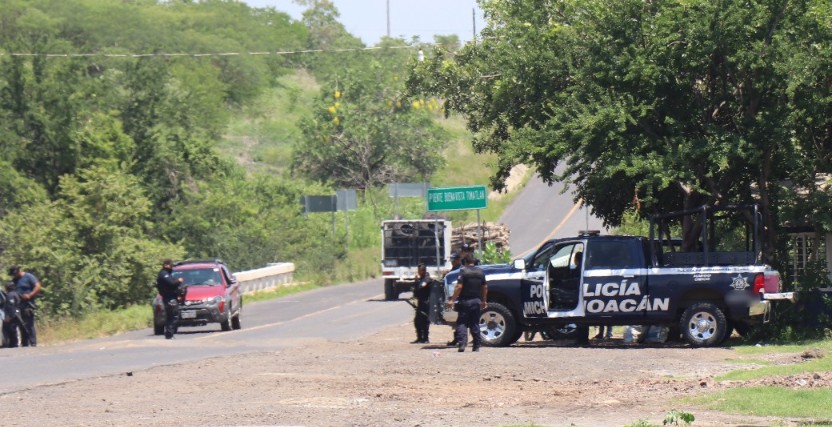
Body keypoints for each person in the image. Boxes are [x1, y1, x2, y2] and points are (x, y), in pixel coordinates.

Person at [446, 256, 487, 352]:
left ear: (465, 262)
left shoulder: (463, 271)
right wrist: (484, 300)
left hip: (465, 301)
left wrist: (452, 300)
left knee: (462, 323)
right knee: (475, 323)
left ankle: (462, 344)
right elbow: (485, 287)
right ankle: (476, 345)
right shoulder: (480, 272)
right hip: (476, 301)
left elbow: (459, 286)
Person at [8, 265, 41, 347]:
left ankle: (33, 343)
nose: (14, 276)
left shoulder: (28, 277)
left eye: (14, 274)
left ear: (18, 271)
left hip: (28, 304)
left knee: (29, 324)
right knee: (21, 325)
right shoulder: (14, 280)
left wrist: (30, 295)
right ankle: (25, 343)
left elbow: (38, 286)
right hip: (19, 305)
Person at [156, 259, 184, 339]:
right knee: (174, 316)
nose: (172, 267)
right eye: (171, 265)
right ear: (166, 265)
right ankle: (169, 334)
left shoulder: (167, 274)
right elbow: (171, 283)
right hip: (169, 298)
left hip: (171, 297)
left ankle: (169, 334)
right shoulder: (163, 274)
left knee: (171, 316)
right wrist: (178, 281)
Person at [411, 263, 431, 344]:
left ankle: (425, 338)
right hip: (420, 302)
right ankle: (419, 337)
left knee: (424, 321)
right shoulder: (421, 279)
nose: (418, 272)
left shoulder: (427, 279)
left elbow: (420, 287)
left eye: (419, 271)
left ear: (423, 271)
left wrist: (417, 281)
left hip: (426, 303)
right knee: (417, 321)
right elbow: (416, 290)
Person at [2, 282, 25, 348]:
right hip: (16, 315)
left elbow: (11, 307)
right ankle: (14, 344)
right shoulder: (16, 293)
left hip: (13, 316)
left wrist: (9, 317)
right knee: (14, 330)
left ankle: (13, 345)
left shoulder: (10, 295)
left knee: (12, 330)